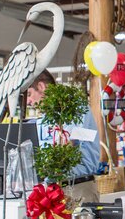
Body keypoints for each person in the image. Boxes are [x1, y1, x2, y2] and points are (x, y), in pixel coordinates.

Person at [27, 69, 101, 202]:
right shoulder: (44, 116)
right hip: (52, 189)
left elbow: (67, 145)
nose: (28, 101)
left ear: (41, 86)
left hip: (77, 188)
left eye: (29, 94)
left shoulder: (74, 106)